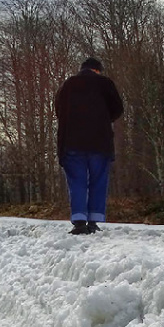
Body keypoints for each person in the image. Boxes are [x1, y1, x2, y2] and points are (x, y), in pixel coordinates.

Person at [54, 57, 124, 235]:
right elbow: (117, 109)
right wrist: (102, 118)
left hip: (72, 142)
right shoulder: (105, 83)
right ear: (97, 70)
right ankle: (94, 220)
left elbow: (58, 109)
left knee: (77, 182)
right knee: (98, 180)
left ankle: (79, 222)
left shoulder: (68, 85)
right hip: (99, 142)